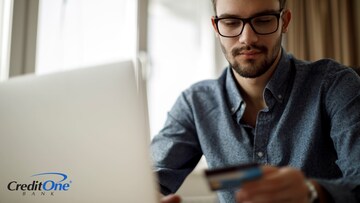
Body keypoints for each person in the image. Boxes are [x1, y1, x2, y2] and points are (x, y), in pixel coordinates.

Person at [153, 0, 360, 202]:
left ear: (284, 21)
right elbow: (149, 179)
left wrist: (313, 193)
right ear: (216, 27)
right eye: (231, 22)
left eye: (262, 20)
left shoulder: (334, 85)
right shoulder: (195, 104)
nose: (247, 39)